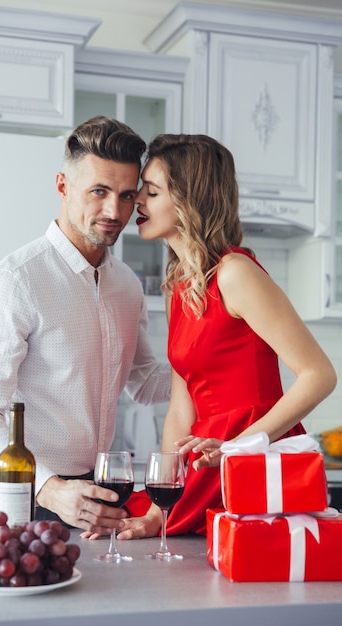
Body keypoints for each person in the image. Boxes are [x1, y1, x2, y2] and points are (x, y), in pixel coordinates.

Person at [114, 133, 337, 539]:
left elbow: (319, 374)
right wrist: (163, 499)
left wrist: (240, 446)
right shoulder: (181, 286)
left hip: (254, 459)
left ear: (187, 200)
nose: (138, 202)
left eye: (152, 191)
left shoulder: (235, 273)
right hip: (210, 461)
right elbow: (182, 409)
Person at [0, 116, 171, 534]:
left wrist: (218, 363)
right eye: (99, 191)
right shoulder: (15, 281)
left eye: (127, 195)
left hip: (97, 494)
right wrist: (51, 489)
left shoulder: (127, 286)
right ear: (62, 186)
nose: (114, 211)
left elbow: (145, 383)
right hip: (23, 491)